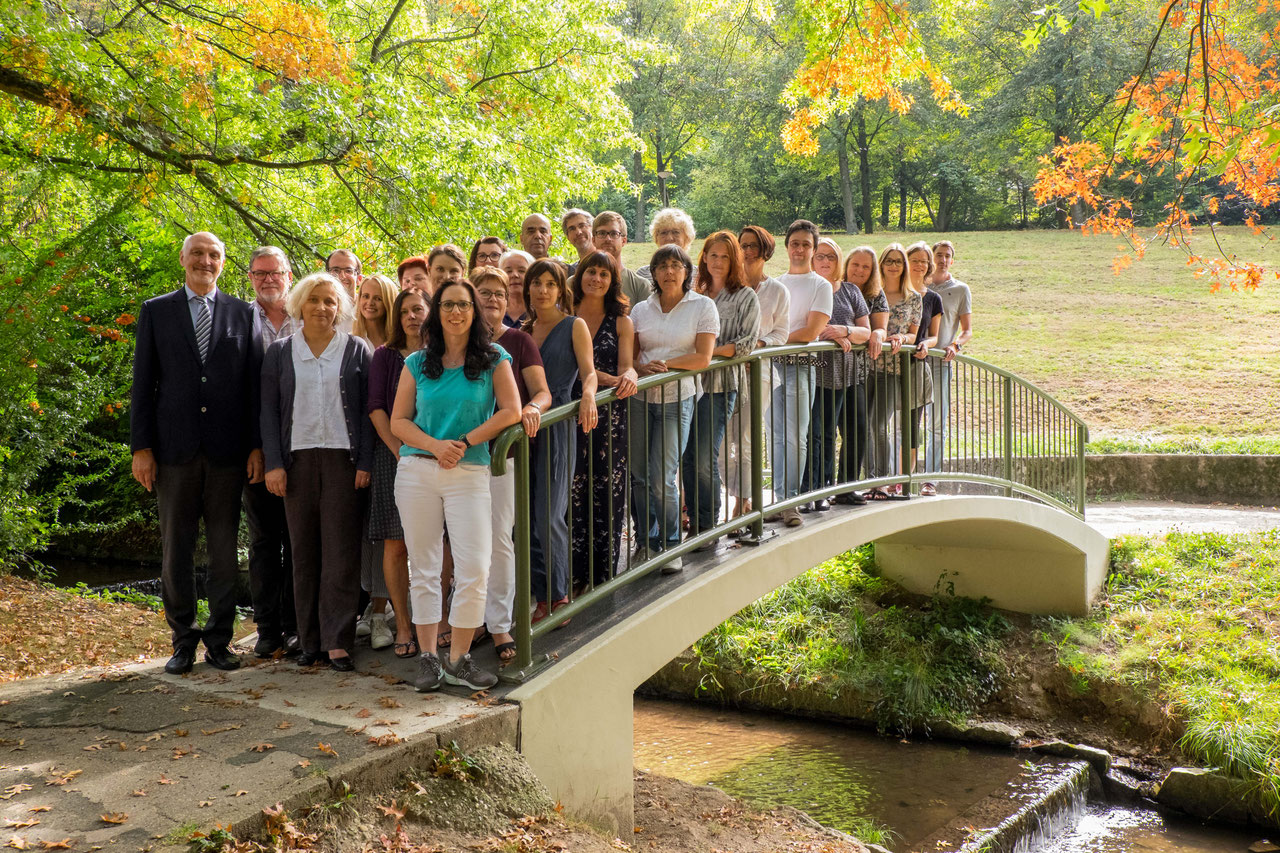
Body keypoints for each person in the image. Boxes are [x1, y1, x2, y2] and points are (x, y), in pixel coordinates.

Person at [131, 232, 263, 675]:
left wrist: (257, 446)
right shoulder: (156, 311)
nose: (206, 261)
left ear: (223, 263)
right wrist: (142, 448)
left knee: (225, 552)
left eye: (215, 255)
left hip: (228, 454)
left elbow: (253, 388)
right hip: (173, 452)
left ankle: (220, 641)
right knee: (177, 551)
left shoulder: (244, 313)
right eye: (199, 254)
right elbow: (143, 386)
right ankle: (183, 641)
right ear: (184, 259)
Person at [392, 280, 521, 692]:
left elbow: (512, 411)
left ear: (474, 311)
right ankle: (429, 659)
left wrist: (464, 443)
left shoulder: (494, 359)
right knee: (425, 567)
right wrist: (434, 446)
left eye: (464, 305)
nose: (456, 312)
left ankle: (460, 659)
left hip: (468, 472)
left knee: (475, 567)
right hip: (418, 472)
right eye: (447, 304)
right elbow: (398, 421)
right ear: (437, 311)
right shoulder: (416, 363)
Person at [260, 272, 374, 672]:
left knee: (341, 554)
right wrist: (274, 463)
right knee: (303, 553)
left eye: (330, 301)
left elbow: (367, 412)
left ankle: (337, 641)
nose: (323, 308)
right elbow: (269, 413)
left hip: (344, 462)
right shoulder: (280, 352)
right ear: (299, 305)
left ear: (339, 307)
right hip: (297, 462)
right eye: (315, 300)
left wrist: (364, 463)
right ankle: (309, 641)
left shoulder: (357, 349)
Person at [473, 266, 552, 661]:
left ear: (508, 301)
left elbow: (541, 391)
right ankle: (469, 621)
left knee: (500, 541)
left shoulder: (519, 341)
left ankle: (500, 624)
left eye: (498, 294)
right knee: (467, 543)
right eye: (483, 292)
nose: (491, 300)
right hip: (457, 458)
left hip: (502, 459)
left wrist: (532, 409)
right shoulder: (452, 342)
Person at [630, 245, 718, 572]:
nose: (669, 271)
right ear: (653, 273)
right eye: (662, 266)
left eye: (675, 265)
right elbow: (634, 358)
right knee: (639, 476)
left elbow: (702, 358)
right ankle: (645, 541)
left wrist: (665, 365)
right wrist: (641, 369)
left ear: (686, 271)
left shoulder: (702, 306)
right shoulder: (641, 309)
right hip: (640, 400)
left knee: (661, 476)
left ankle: (669, 546)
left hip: (677, 398)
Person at [523, 260, 599, 623]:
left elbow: (589, 373)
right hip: (522, 430)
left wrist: (587, 396)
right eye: (536, 283)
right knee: (525, 516)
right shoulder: (523, 329)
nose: (542, 290)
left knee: (549, 514)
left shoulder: (574, 325)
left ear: (560, 289)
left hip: (557, 426)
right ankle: (541, 596)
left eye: (549, 283)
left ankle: (560, 595)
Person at [682, 232, 758, 550]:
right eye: (712, 255)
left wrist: (706, 354)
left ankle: (707, 525)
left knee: (704, 456)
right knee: (687, 457)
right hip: (686, 387)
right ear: (703, 257)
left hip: (720, 386)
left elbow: (745, 345)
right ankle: (694, 526)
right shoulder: (692, 293)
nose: (717, 261)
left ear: (734, 261)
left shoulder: (744, 297)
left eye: (725, 256)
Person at [569, 252, 638, 588]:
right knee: (572, 491)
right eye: (590, 272)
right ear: (580, 275)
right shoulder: (565, 315)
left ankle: (603, 574)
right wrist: (610, 379)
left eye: (603, 274)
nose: (596, 279)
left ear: (613, 281)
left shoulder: (622, 321)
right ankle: (572, 574)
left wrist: (631, 375)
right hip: (569, 413)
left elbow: (626, 365)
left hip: (611, 418)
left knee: (608, 489)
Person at [243, 246, 299, 658]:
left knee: (300, 541)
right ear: (249, 277)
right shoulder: (238, 319)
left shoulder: (312, 314)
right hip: (258, 451)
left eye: (274, 272)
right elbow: (237, 393)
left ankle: (297, 625)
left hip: (305, 447)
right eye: (260, 274)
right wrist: (256, 447)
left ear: (289, 275)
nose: (268, 280)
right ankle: (267, 628)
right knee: (264, 541)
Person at [367, 289, 428, 658]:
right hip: (394, 456)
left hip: (439, 457)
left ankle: (436, 622)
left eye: (418, 309)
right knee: (396, 543)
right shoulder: (385, 357)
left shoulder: (443, 353)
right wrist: (401, 450)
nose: (411, 316)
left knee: (437, 546)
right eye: (404, 311)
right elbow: (376, 407)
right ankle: (403, 625)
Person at [722, 225, 790, 529]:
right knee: (722, 442)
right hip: (722, 374)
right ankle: (737, 491)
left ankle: (744, 502)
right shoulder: (725, 286)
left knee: (747, 440)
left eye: (753, 246)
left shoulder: (777, 290)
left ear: (765, 250)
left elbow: (782, 332)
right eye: (743, 245)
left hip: (757, 372)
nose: (747, 251)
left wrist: (757, 345)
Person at [766, 220, 832, 527]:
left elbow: (811, 332)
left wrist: (774, 339)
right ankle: (778, 499)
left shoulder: (820, 285)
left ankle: (791, 501)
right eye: (795, 243)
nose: (800, 249)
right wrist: (774, 338)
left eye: (806, 244)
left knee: (796, 438)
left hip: (803, 365)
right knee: (776, 436)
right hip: (771, 366)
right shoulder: (776, 284)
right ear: (786, 246)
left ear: (814, 249)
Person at [802, 240, 872, 511]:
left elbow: (865, 332)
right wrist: (826, 333)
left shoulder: (850, 291)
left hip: (844, 372)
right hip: (814, 371)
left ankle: (830, 489)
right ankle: (813, 489)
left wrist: (844, 331)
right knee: (816, 433)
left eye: (831, 257)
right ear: (812, 259)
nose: (825, 262)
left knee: (833, 433)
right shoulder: (806, 289)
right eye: (820, 256)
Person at [865, 243, 920, 500]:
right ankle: (870, 480)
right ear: (882, 263)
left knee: (879, 424)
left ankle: (884, 480)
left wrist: (901, 338)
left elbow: (913, 333)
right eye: (889, 260)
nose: (894, 265)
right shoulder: (872, 293)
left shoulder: (914, 297)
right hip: (865, 367)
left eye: (898, 261)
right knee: (864, 424)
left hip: (892, 368)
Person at [834, 246, 888, 499]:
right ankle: (821, 489)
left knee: (857, 429)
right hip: (828, 368)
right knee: (824, 432)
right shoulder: (836, 288)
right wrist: (852, 332)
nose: (860, 270)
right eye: (856, 264)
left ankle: (846, 486)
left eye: (866, 267)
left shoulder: (876, 295)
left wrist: (876, 334)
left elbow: (878, 328)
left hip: (858, 370)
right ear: (847, 264)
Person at [922, 240, 973, 494]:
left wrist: (955, 345)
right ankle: (898, 476)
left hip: (941, 361)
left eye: (947, 256)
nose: (942, 259)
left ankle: (931, 479)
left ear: (952, 260)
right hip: (915, 359)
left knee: (937, 422)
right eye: (938, 255)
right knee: (903, 421)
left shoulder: (961, 289)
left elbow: (967, 331)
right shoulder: (919, 285)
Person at [907, 242, 943, 494]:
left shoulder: (933, 298)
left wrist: (924, 344)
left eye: (924, 261)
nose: (919, 265)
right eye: (915, 260)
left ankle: (906, 478)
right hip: (887, 365)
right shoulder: (893, 292)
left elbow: (935, 336)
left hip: (918, 365)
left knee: (912, 425)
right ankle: (885, 477)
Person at [591, 210, 651, 310]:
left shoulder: (640, 286)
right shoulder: (578, 282)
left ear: (624, 240)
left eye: (614, 234)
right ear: (593, 240)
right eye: (602, 233)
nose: (608, 239)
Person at [636, 208, 695, 281]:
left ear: (687, 237)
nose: (669, 238)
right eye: (664, 232)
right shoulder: (643, 274)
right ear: (656, 238)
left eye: (675, 232)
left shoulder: (700, 275)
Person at [353, 273, 398, 350]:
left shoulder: (400, 341)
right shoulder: (349, 343)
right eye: (366, 296)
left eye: (378, 298)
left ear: (389, 302)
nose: (370, 303)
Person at [326, 249, 363, 330]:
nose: (342, 276)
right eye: (335, 270)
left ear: (359, 279)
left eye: (348, 271)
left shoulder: (367, 309)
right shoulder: (319, 310)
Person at [499, 249, 533, 327]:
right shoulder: (494, 309)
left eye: (521, 271)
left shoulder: (540, 311)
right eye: (508, 271)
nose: (515, 275)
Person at [560, 209, 594, 274]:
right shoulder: (570, 273)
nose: (578, 232)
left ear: (592, 228)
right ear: (568, 237)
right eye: (572, 229)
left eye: (582, 226)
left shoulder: (609, 264)